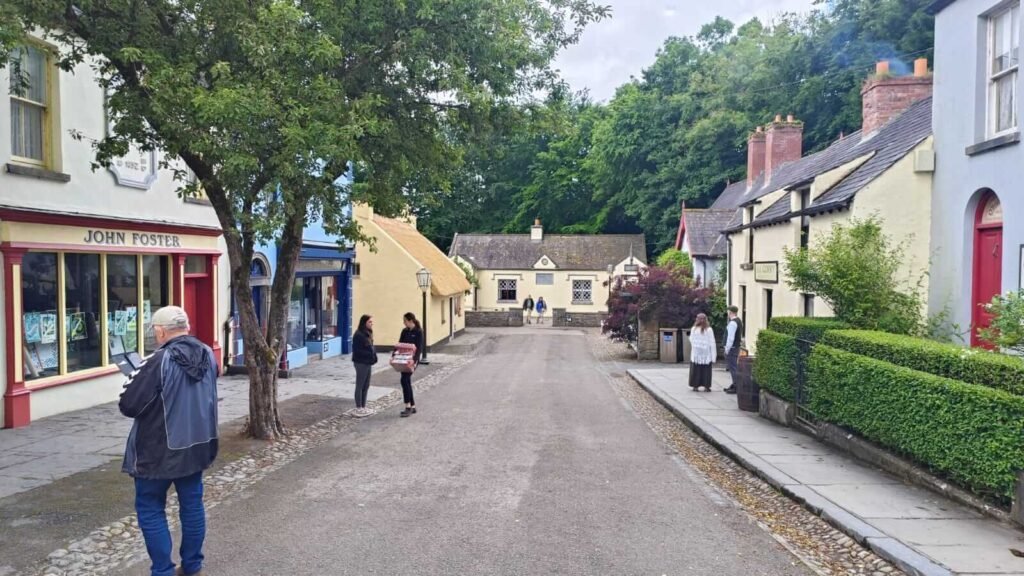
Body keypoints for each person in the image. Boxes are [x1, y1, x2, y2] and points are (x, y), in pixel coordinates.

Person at [119, 306, 218, 576]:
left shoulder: (159, 360)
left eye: (154, 330)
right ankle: (193, 564)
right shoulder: (208, 354)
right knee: (192, 504)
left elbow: (129, 405)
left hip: (158, 449)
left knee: (150, 507)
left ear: (161, 331)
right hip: (197, 444)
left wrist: (131, 378)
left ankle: (163, 570)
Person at [352, 315, 378, 417]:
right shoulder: (358, 335)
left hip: (368, 362)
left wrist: (374, 355)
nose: (372, 324)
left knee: (366, 385)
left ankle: (363, 406)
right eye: (370, 322)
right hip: (361, 362)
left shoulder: (368, 333)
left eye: (372, 322)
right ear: (364, 323)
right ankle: (358, 407)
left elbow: (371, 346)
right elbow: (358, 350)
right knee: (360, 385)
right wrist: (369, 354)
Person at [398, 312, 424, 417]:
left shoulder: (419, 332)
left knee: (404, 380)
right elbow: (399, 344)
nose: (404, 323)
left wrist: (414, 360)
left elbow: (419, 348)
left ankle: (407, 406)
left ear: (410, 321)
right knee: (406, 380)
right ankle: (412, 406)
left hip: (412, 360)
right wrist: (394, 356)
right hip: (404, 358)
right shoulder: (404, 331)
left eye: (405, 321)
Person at [688, 313, 717, 392]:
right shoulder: (709, 329)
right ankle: (706, 386)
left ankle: (695, 386)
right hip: (706, 354)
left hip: (696, 355)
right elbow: (712, 343)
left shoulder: (694, 329)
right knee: (706, 371)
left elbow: (691, 339)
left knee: (696, 370)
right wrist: (713, 356)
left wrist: (696, 346)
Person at [723, 306, 745, 394]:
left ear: (730, 312)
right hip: (735, 347)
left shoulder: (732, 323)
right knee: (734, 367)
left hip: (732, 348)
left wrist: (727, 349)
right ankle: (734, 384)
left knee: (733, 368)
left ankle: (736, 386)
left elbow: (730, 338)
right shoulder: (739, 321)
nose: (728, 313)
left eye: (728, 311)